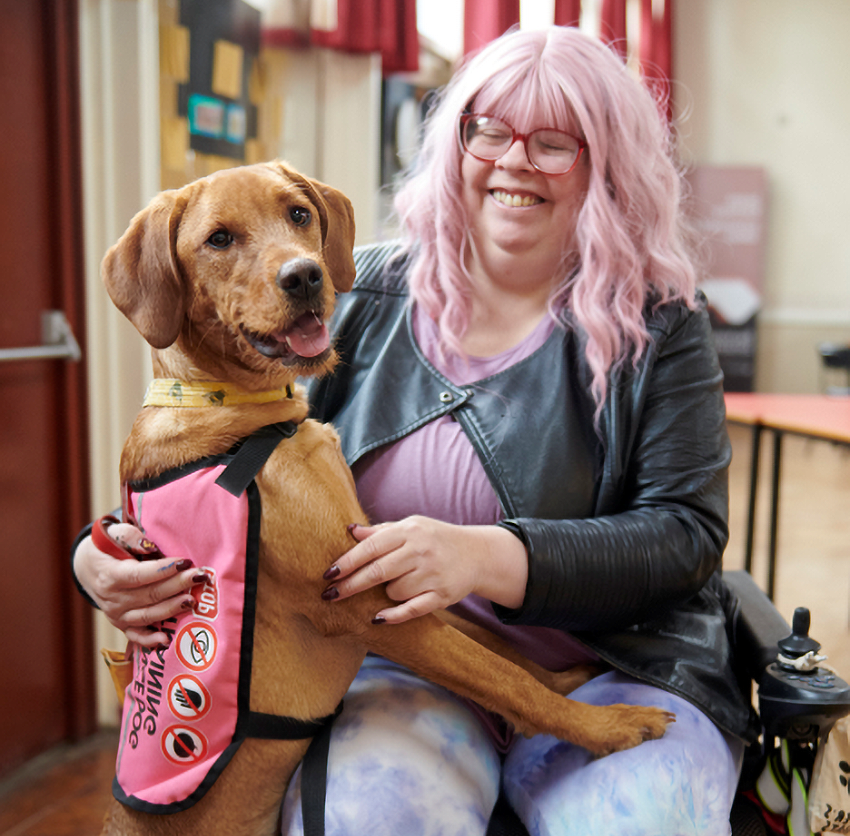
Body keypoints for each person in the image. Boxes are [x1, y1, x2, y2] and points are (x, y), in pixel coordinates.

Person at [73, 25, 757, 836]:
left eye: (555, 143)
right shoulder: (350, 295)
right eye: (489, 130)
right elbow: (221, 475)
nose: (513, 161)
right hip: (403, 670)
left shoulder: (662, 325)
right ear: (455, 140)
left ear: (609, 162)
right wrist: (102, 557)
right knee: (366, 820)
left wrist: (484, 554)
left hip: (619, 668)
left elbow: (686, 535)